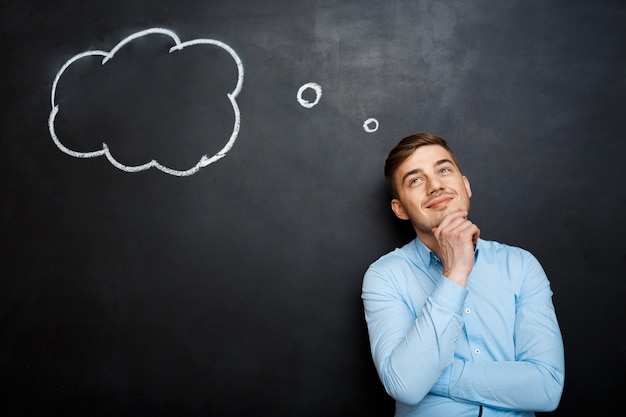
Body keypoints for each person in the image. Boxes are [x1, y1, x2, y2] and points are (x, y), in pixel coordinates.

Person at [361, 133, 565, 417]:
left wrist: (432, 376)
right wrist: (454, 273)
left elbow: (547, 388)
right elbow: (406, 386)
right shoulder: (385, 276)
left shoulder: (520, 265)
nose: (436, 186)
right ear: (400, 209)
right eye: (415, 180)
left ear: (465, 186)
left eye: (443, 170)